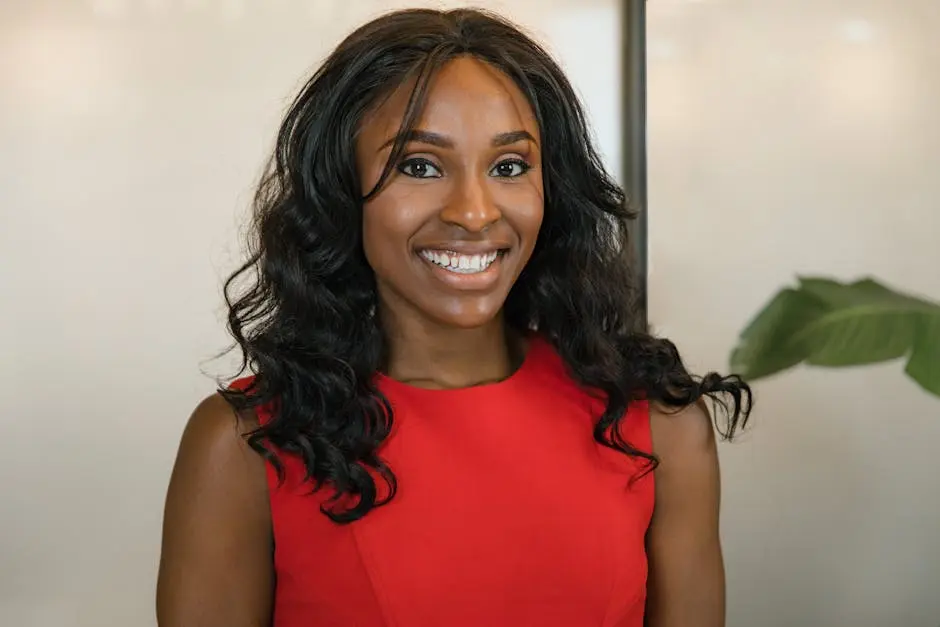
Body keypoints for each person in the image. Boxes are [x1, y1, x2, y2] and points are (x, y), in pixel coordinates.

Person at [156, 7, 752, 627]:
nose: (473, 212)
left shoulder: (658, 427)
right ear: (340, 190)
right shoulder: (245, 447)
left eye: (509, 167)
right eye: (419, 166)